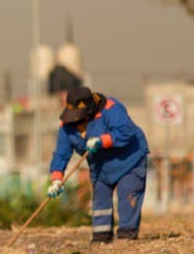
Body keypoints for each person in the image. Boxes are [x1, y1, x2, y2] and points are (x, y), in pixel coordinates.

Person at [47, 85, 150, 243]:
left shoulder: (111, 109)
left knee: (127, 195)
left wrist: (103, 141)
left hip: (129, 160)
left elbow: (126, 132)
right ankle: (101, 237)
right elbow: (61, 154)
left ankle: (127, 235)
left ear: (88, 111)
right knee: (100, 200)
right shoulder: (66, 126)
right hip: (101, 168)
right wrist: (56, 179)